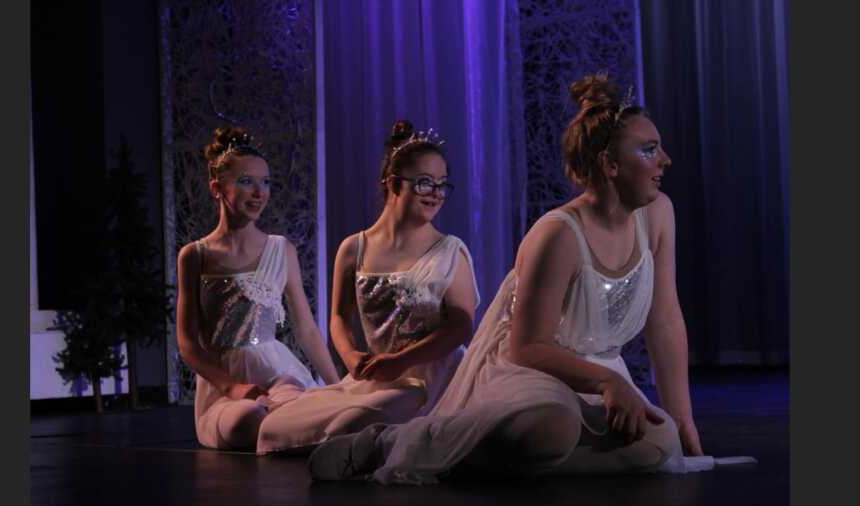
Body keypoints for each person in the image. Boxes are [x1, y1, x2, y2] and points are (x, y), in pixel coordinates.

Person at [308, 74, 723, 484]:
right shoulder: (558, 234)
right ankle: (396, 444)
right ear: (610, 164)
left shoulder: (658, 214)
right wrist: (607, 381)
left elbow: (665, 319)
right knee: (553, 428)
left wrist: (682, 419)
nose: (665, 160)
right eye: (650, 150)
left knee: (660, 438)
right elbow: (526, 347)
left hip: (601, 377)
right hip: (532, 372)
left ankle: (507, 462)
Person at [256, 120, 480, 455]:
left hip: (432, 378)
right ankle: (359, 444)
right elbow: (339, 318)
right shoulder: (354, 248)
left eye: (442, 185)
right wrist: (351, 356)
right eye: (424, 183)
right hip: (377, 374)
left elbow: (461, 326)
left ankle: (362, 447)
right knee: (273, 429)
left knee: (355, 423)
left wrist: (402, 360)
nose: (436, 193)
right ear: (394, 184)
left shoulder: (450, 251)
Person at [175, 126, 340, 451]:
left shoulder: (281, 250)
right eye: (246, 181)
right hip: (225, 386)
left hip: (276, 372)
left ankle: (301, 427)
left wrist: (337, 385)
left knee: (295, 408)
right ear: (217, 188)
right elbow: (187, 343)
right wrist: (232, 386)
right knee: (247, 418)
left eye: (265, 182)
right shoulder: (196, 255)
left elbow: (305, 329)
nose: (258, 192)